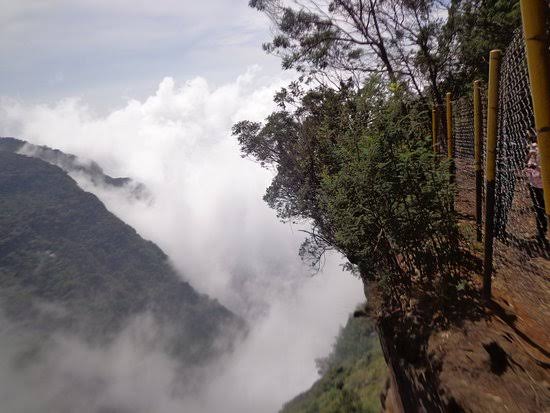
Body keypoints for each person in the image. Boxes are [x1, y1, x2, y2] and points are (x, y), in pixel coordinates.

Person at [524, 135, 548, 246]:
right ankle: (541, 233)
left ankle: (542, 233)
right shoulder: (534, 147)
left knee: (542, 209)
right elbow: (527, 162)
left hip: (544, 183)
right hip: (535, 183)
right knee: (539, 209)